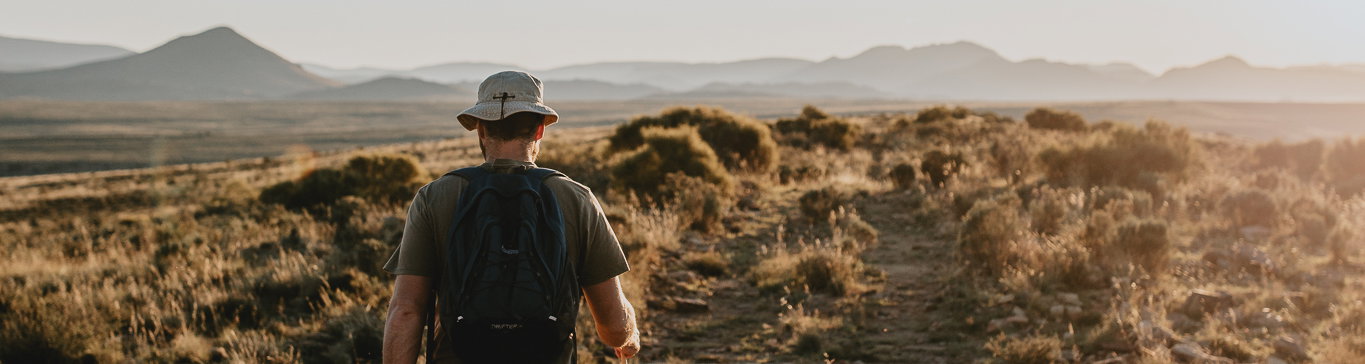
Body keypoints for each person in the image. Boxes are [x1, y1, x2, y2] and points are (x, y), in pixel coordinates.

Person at [381, 71, 640, 363]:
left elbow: (406, 311)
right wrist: (629, 335)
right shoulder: (576, 198)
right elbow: (614, 327)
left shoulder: (434, 197)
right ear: (540, 130)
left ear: (481, 129)